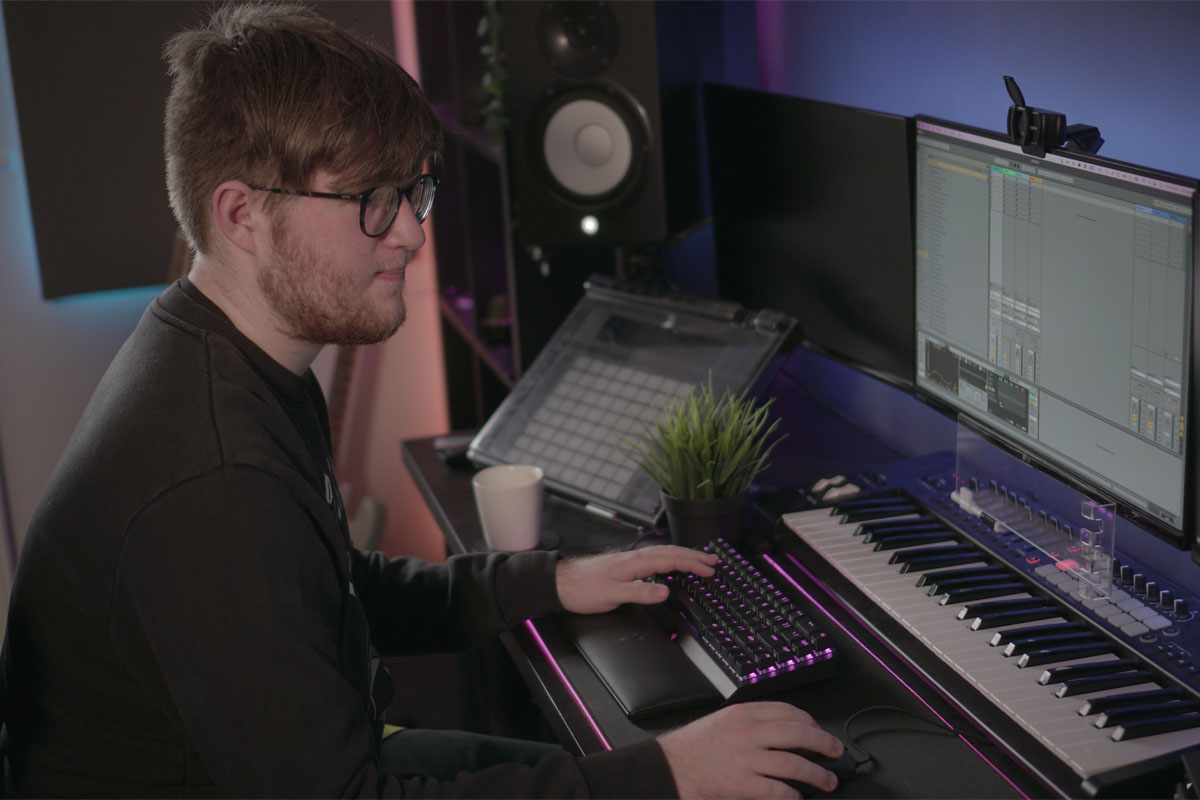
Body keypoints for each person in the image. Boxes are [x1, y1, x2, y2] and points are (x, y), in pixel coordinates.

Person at [0, 2, 845, 797]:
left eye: (414, 191)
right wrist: (667, 776)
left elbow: (330, 589)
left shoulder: (222, 353)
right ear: (241, 215)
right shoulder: (211, 479)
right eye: (372, 198)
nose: (410, 229)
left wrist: (552, 579)